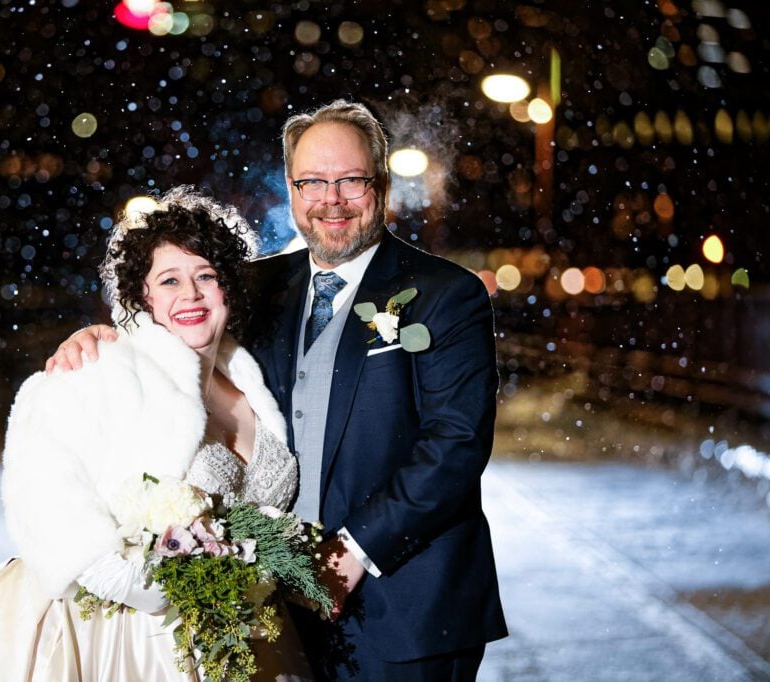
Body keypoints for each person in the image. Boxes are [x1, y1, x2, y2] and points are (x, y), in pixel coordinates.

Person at [49, 100, 507, 680]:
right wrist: (99, 336)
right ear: (291, 190)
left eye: (351, 180)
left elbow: (457, 443)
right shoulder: (260, 286)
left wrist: (353, 553)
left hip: (408, 607)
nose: (331, 199)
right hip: (272, 614)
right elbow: (175, 318)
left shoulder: (448, 294)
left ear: (382, 185)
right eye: (312, 181)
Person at [0, 187, 311, 681]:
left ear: (227, 288)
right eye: (168, 280)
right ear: (141, 296)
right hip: (119, 641)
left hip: (245, 638)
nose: (190, 294)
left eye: (206, 276)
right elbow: (43, 500)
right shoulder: (97, 371)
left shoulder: (255, 383)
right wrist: (148, 584)